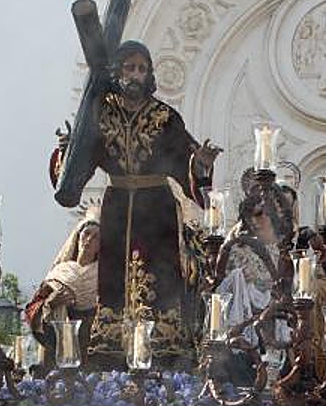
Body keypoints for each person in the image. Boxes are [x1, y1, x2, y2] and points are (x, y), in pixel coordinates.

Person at [50, 40, 220, 367]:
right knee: (113, 282)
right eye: (130, 68)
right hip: (116, 209)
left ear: (150, 75)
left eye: (142, 69)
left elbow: (188, 163)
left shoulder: (165, 117)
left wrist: (200, 164)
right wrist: (66, 150)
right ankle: (111, 355)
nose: (136, 75)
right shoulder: (99, 116)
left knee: (161, 278)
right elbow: (75, 170)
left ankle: (164, 353)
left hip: (156, 211)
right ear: (117, 71)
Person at [26, 217, 100, 367]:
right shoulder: (59, 273)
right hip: (57, 350)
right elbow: (31, 311)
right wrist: (50, 304)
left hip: (91, 350)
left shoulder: (102, 276)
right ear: (78, 237)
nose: (89, 239)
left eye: (96, 237)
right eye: (86, 233)